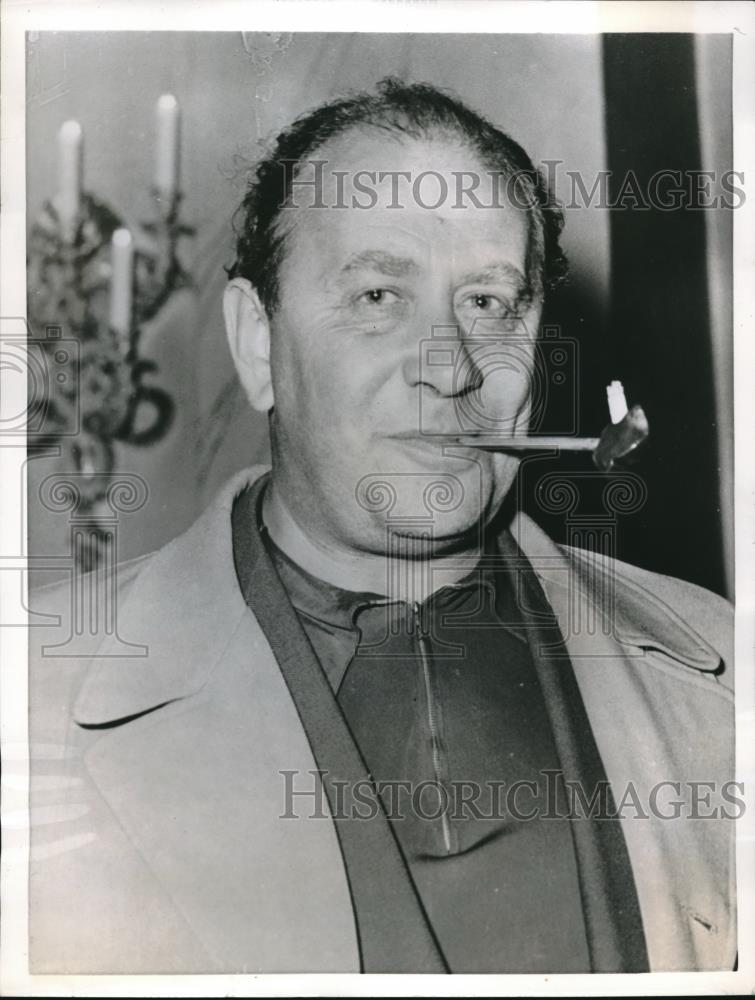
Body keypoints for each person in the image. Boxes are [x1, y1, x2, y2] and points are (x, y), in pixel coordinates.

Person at [28, 78, 735, 975]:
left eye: (487, 303)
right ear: (259, 345)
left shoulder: (725, 667)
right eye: (377, 297)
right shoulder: (30, 698)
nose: (449, 372)